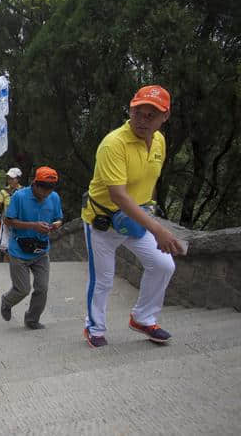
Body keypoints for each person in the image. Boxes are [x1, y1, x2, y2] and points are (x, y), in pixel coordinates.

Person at [81, 85, 182, 348]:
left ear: (165, 117)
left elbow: (149, 180)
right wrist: (158, 229)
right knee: (102, 278)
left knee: (163, 265)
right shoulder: (113, 144)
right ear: (130, 109)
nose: (143, 120)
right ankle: (94, 327)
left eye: (151, 115)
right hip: (102, 222)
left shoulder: (158, 141)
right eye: (138, 113)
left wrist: (149, 211)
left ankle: (143, 318)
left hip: (135, 220)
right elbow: (119, 196)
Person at [0, 166, 63, 329]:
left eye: (50, 189)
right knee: (22, 289)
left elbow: (59, 218)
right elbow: (8, 221)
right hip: (19, 250)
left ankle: (32, 319)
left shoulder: (54, 197)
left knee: (42, 288)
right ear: (35, 184)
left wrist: (57, 224)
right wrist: (33, 226)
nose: (46, 193)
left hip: (41, 251)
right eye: (43, 189)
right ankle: (7, 301)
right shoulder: (19, 196)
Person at [0, 168, 23, 261]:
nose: (10, 181)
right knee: (3, 243)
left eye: (13, 178)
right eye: (9, 178)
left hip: (19, 221)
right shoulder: (4, 192)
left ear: (18, 179)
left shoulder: (23, 191)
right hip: (6, 221)